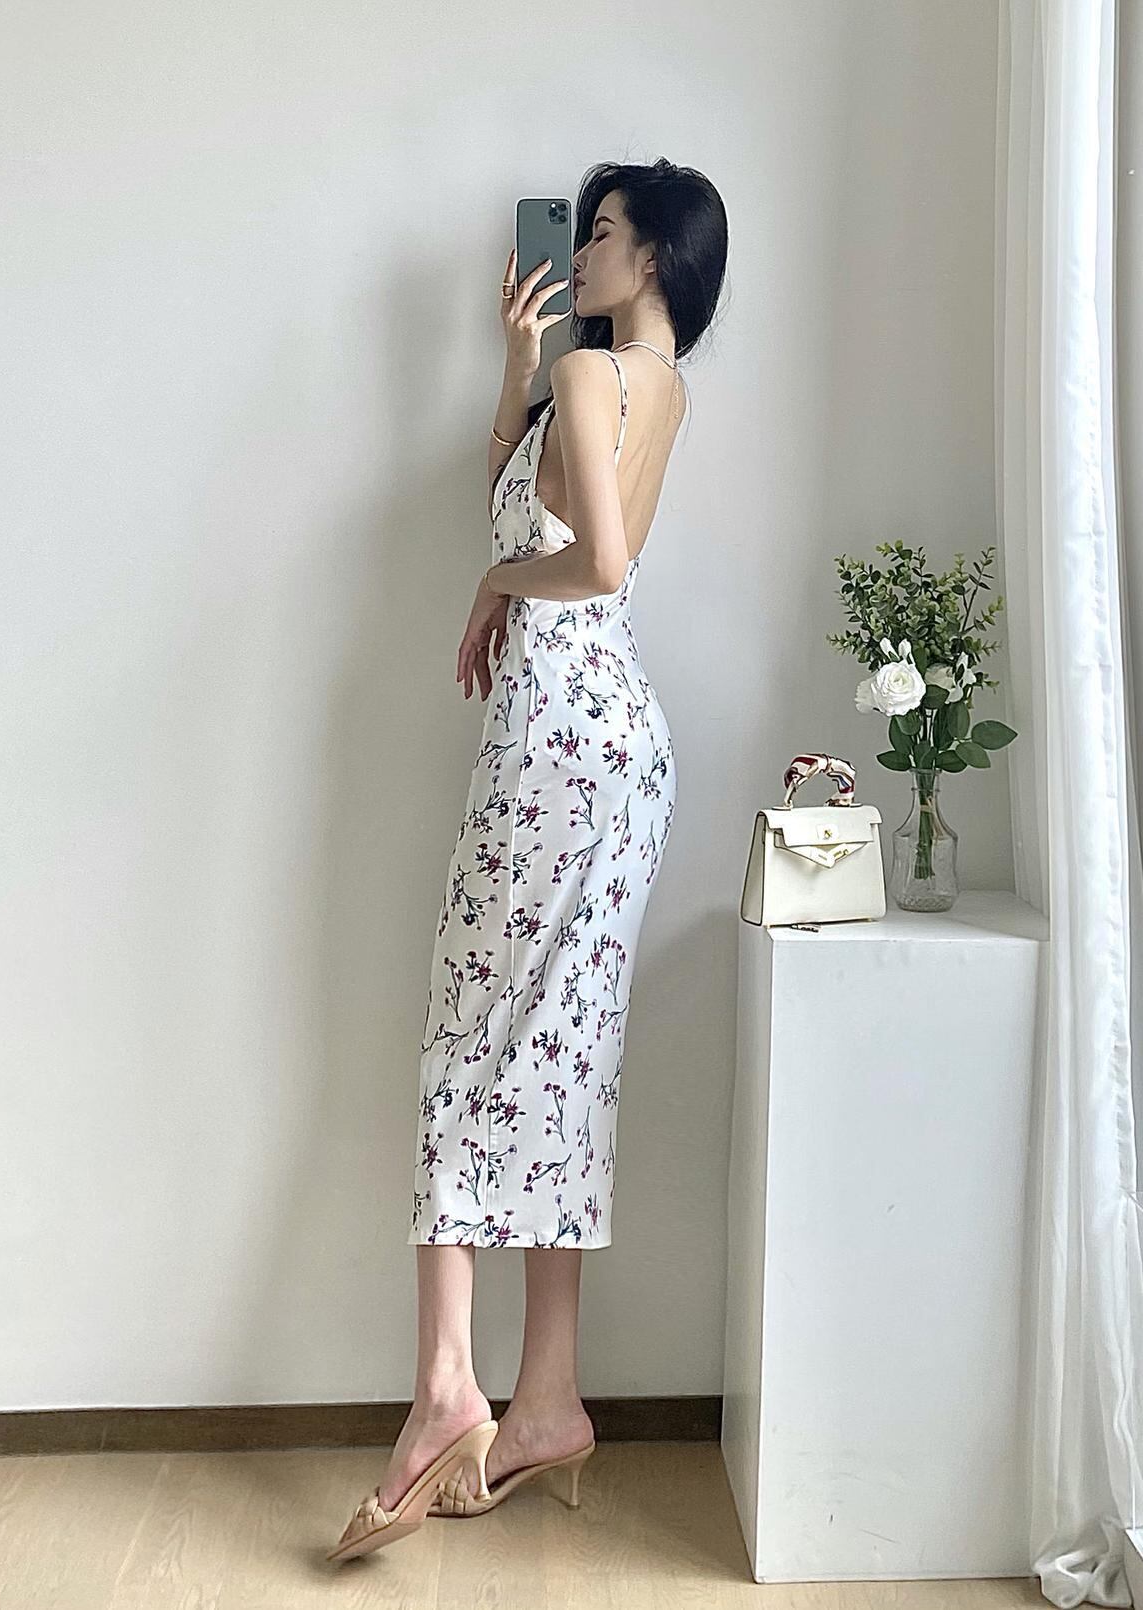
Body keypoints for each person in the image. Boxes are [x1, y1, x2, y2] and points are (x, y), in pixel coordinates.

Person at [329, 158, 728, 1564]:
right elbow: (536, 509)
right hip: (613, 749)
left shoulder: (590, 376)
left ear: (656, 255)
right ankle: (546, 1397)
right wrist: (514, 368)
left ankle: (448, 1388)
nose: (586, 249)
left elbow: (582, 564)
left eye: (604, 230)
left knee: (467, 1051)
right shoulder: (650, 387)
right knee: (558, 1060)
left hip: (557, 738)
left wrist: (497, 582)